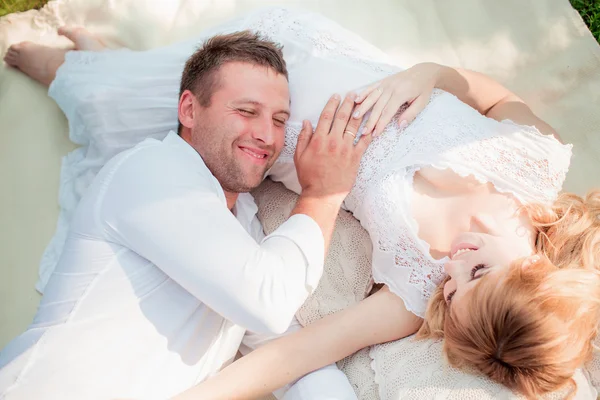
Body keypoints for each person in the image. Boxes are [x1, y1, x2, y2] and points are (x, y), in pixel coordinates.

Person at [4, 6, 599, 399]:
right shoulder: (537, 161)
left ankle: (77, 73)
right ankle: (109, 66)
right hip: (331, 57)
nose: (455, 265)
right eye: (475, 271)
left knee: (147, 105)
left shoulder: (419, 284)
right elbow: (493, 97)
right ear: (530, 272)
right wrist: (428, 74)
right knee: (216, 64)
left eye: (453, 290)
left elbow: (294, 353)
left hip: (280, 132)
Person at [0, 26, 371, 400]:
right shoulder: (151, 173)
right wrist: (323, 193)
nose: (267, 135)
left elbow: (287, 349)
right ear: (189, 110)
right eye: (246, 111)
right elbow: (268, 302)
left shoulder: (244, 225)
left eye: (279, 120)